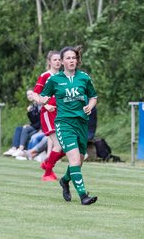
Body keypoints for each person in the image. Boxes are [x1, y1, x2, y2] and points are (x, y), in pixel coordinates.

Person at [38, 46, 98, 205]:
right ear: (62, 61)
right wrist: (44, 103)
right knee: (74, 159)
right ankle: (83, 196)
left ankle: (65, 181)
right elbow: (42, 96)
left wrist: (90, 106)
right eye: (68, 58)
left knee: (79, 160)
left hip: (82, 123)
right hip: (64, 124)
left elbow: (93, 96)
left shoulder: (84, 77)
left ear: (77, 60)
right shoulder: (54, 79)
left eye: (74, 58)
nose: (71, 61)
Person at [32, 50, 65, 181]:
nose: (57, 62)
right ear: (49, 62)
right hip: (48, 113)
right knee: (58, 145)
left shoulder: (64, 76)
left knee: (67, 147)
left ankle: (47, 163)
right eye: (55, 60)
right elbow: (35, 94)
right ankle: (47, 173)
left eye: (59, 60)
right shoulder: (46, 76)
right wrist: (45, 105)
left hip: (61, 113)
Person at [3, 89, 41, 157]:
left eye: (31, 94)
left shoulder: (39, 104)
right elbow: (33, 120)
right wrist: (29, 112)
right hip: (35, 125)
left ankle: (21, 149)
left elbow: (40, 120)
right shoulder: (32, 105)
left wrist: (30, 126)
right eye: (28, 95)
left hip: (40, 127)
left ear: (35, 94)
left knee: (25, 129)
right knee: (18, 128)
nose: (29, 96)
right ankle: (14, 148)